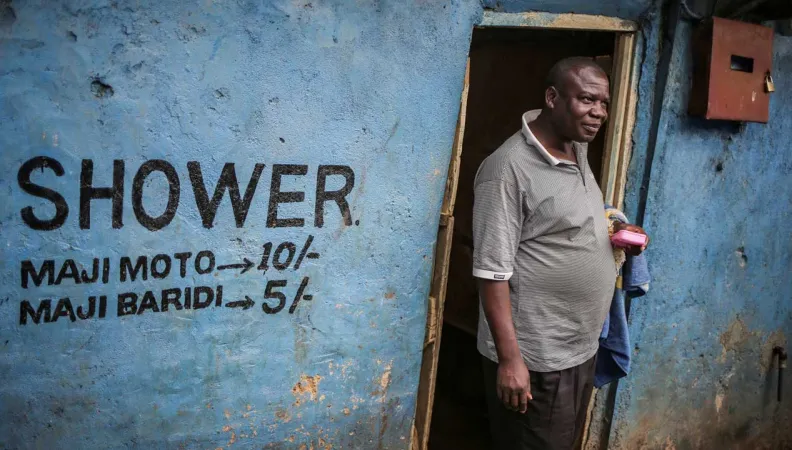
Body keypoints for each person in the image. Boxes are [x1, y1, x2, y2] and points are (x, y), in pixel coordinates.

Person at [472, 57, 649, 450]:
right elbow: (491, 273)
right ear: (552, 98)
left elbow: (566, 218)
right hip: (535, 357)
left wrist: (614, 230)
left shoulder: (576, 148)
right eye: (587, 100)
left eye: (604, 103)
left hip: (577, 347)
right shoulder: (507, 170)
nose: (600, 113)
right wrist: (511, 362)